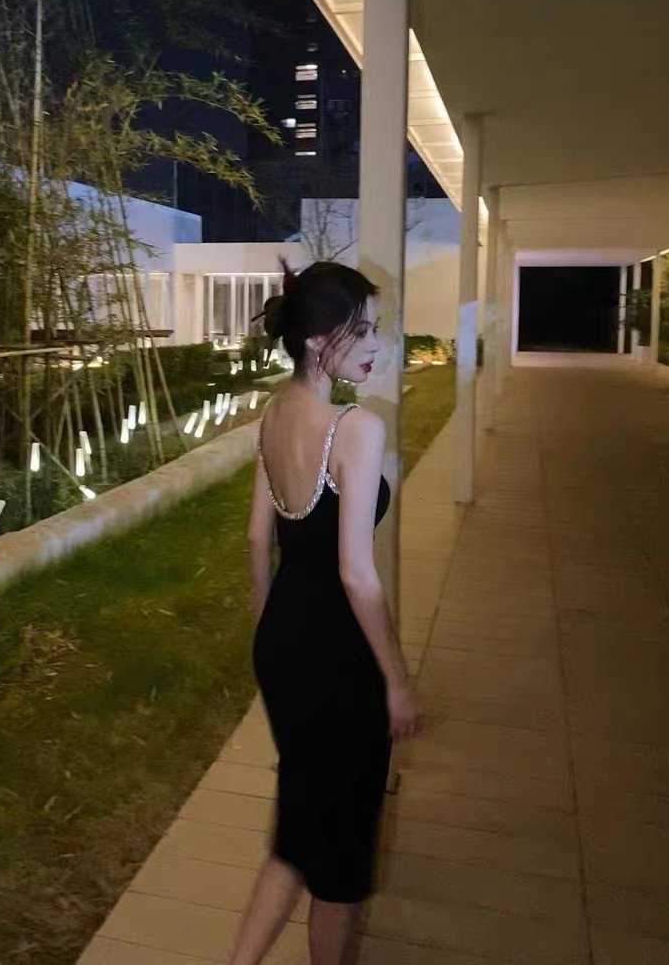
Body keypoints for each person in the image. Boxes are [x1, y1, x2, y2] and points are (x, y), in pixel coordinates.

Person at [227, 259, 422, 965]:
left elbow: (258, 539)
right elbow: (356, 574)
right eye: (361, 331)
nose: (376, 344)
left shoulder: (274, 414)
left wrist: (267, 632)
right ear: (317, 340)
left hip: (285, 642)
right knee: (337, 859)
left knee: (301, 829)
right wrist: (395, 680)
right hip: (339, 658)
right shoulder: (354, 428)